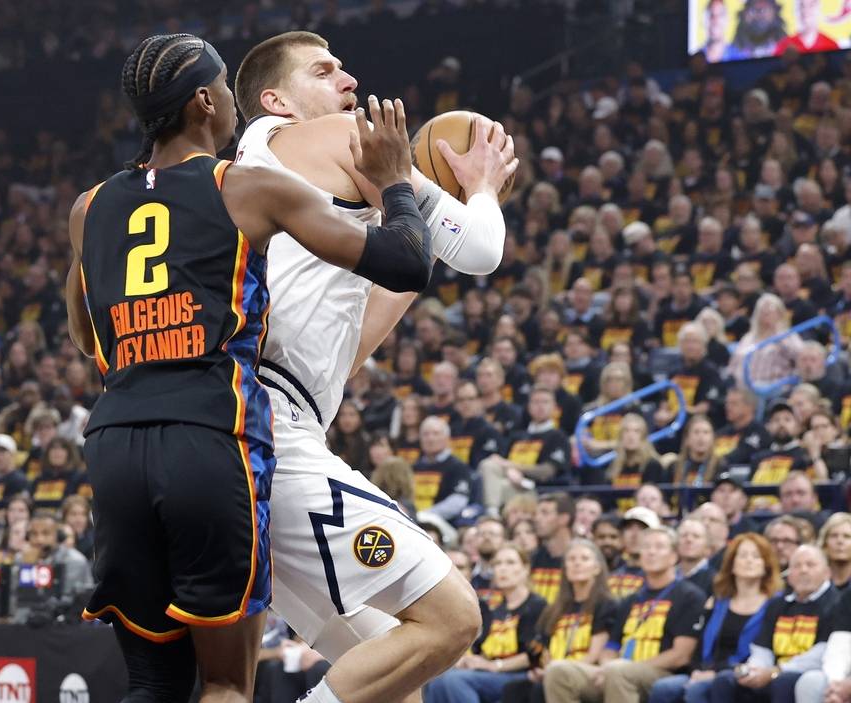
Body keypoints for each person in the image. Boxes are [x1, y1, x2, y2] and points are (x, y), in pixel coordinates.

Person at [66, 33, 437, 703]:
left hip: (115, 442)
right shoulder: (244, 185)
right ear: (205, 102)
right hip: (209, 437)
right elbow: (406, 261)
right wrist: (394, 183)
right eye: (223, 91)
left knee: (152, 683)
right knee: (227, 685)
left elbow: (86, 334)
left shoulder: (88, 208)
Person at [233, 29, 517, 703]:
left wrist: (417, 228)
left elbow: (350, 349)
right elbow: (482, 250)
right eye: (323, 71)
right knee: (452, 619)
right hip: (271, 429)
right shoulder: (336, 137)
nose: (349, 80)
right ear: (276, 102)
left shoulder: (271, 179)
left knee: (395, 679)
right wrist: (481, 189)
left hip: (261, 419)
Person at [543, 527, 704, 703]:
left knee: (618, 671)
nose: (651, 552)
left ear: (674, 556)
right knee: (558, 671)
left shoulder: (689, 596)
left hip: (661, 672)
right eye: (646, 547)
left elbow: (681, 655)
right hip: (618, 671)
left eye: (659, 547)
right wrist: (606, 667)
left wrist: (624, 667)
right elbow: (611, 647)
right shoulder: (631, 600)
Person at [647, 533, 779, 703]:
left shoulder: (774, 605)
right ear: (732, 564)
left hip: (742, 674)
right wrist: (696, 671)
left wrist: (715, 673)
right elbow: (699, 644)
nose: (749, 560)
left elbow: (763, 653)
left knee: (698, 690)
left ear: (766, 565)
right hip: (706, 669)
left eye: (756, 556)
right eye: (743, 555)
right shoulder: (717, 603)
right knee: (664, 688)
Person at [711, 544, 838, 701]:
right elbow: (762, 648)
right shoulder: (778, 604)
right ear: (789, 575)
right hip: (773, 671)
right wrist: (755, 670)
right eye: (796, 566)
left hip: (808, 673)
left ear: (827, 572)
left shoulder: (836, 603)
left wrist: (775, 671)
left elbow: (823, 653)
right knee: (725, 680)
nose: (803, 570)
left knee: (783, 682)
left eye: (810, 565)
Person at [424, 545, 546, 703]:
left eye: (510, 563)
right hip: (489, 673)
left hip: (519, 675)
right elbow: (478, 648)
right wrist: (468, 661)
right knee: (436, 680)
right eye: (498, 564)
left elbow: (533, 655)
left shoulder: (537, 606)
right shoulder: (492, 608)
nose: (503, 569)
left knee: (455, 681)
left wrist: (495, 666)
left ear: (525, 569)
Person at [505, 539, 618, 703]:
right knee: (514, 688)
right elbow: (541, 649)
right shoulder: (554, 609)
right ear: (564, 568)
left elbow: (594, 655)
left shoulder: (607, 605)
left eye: (584, 559)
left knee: (540, 689)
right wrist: (541, 668)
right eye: (571, 559)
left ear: (597, 568)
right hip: (553, 669)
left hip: (588, 672)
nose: (577, 563)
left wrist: (554, 670)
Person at [773, 0, 839, 55]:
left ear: (818, 8)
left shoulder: (832, 46)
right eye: (801, 6)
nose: (805, 11)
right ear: (796, 10)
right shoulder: (783, 47)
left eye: (811, 5)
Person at [818, 513, 851, 591]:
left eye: (847, 536)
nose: (840, 541)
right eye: (834, 536)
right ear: (825, 543)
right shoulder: (815, 583)